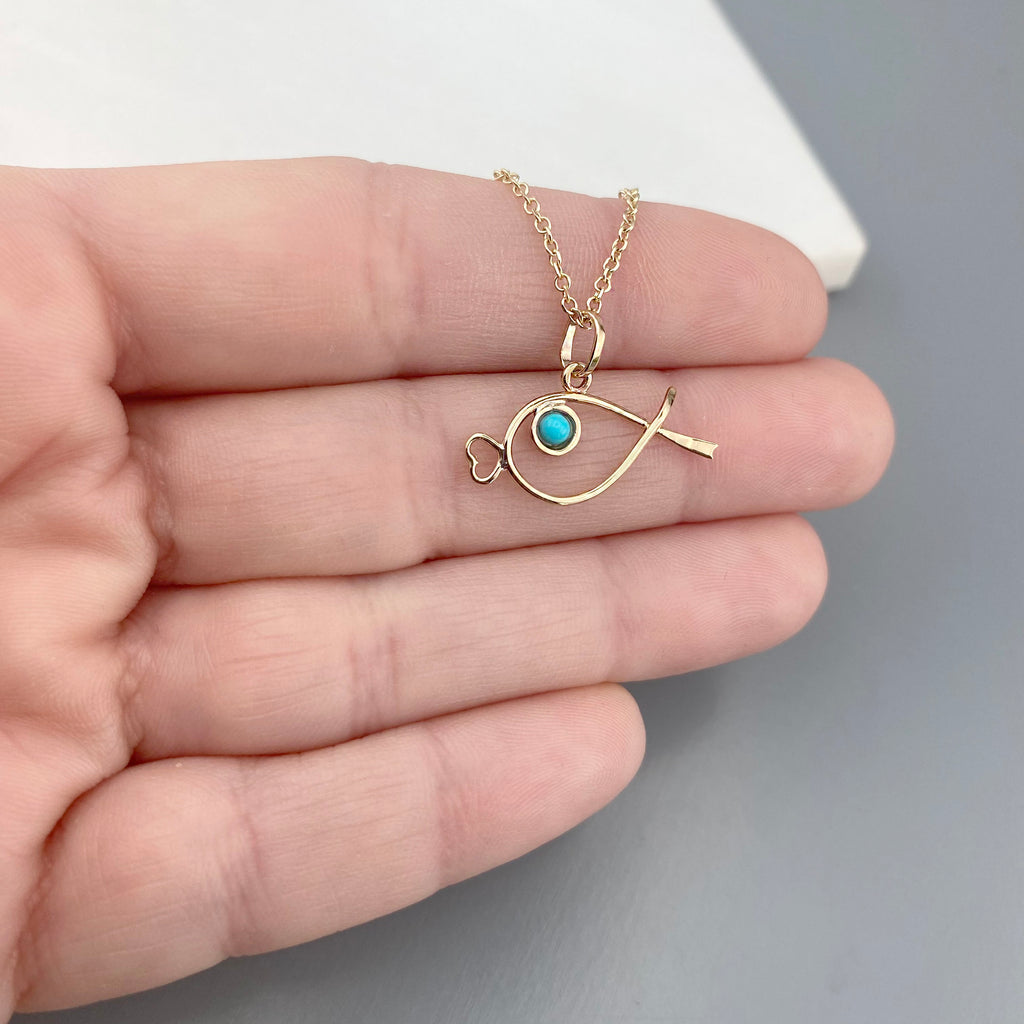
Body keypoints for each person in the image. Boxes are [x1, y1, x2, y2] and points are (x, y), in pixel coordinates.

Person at [0, 157, 893, 1015]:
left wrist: (648, 428)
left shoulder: (561, 421)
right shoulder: (545, 428)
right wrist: (649, 428)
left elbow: (576, 443)